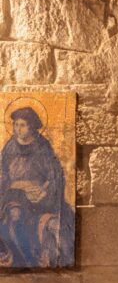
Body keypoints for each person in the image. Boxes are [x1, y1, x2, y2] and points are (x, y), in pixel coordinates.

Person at [0, 106, 74, 267]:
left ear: (32, 126)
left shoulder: (43, 146)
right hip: (13, 194)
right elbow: (3, 174)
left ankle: (39, 257)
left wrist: (44, 192)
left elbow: (54, 175)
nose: (18, 129)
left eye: (22, 125)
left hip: (37, 197)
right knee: (14, 214)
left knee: (60, 224)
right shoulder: (10, 146)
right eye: (15, 125)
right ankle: (20, 258)